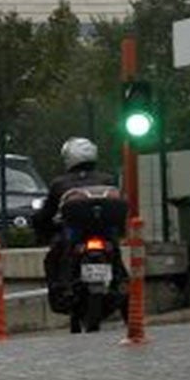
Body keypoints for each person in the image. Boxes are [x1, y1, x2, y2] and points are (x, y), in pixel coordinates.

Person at [37, 137, 123, 333]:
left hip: (75, 236)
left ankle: (64, 288)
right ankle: (121, 286)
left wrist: (41, 229)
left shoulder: (59, 183)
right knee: (118, 260)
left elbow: (46, 214)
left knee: (53, 259)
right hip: (104, 235)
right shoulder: (108, 179)